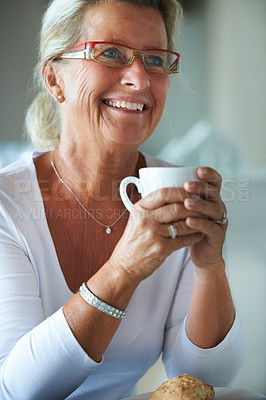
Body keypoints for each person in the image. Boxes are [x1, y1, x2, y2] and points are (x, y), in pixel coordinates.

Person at [0, 0, 245, 399]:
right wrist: (124, 269)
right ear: (54, 79)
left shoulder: (175, 191)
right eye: (110, 53)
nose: (140, 79)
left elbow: (202, 378)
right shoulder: (7, 203)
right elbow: (17, 389)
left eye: (155, 59)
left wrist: (210, 266)